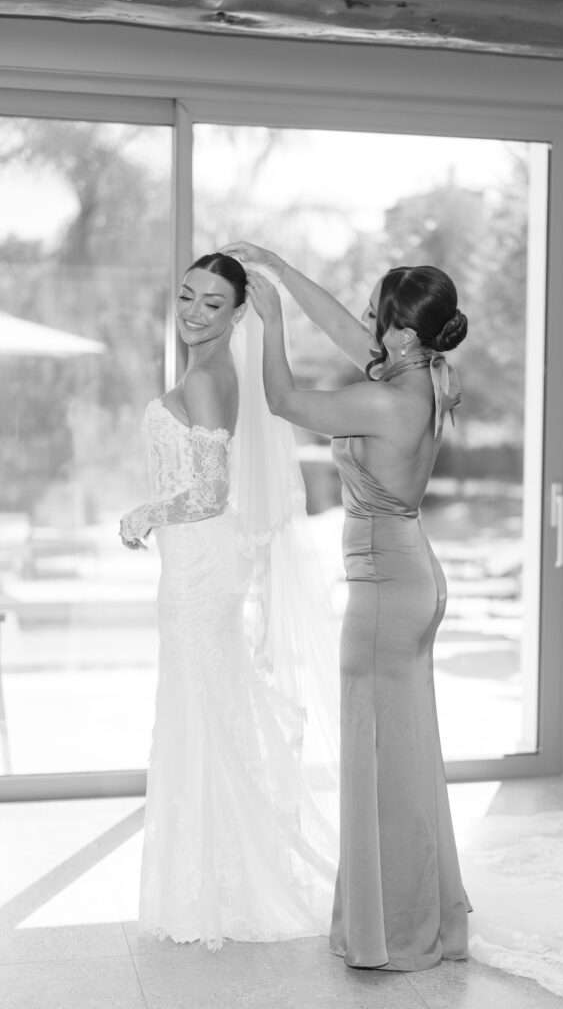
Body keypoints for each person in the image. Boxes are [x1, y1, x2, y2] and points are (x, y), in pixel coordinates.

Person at [222, 241, 472, 972]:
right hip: (408, 576)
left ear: (402, 330)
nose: (364, 322)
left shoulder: (386, 397)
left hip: (385, 594)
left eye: (376, 315)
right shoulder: (421, 371)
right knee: (405, 763)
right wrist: (279, 267)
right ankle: (420, 918)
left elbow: (284, 401)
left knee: (377, 768)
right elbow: (343, 328)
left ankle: (390, 932)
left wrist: (270, 324)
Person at [119, 253, 340, 950]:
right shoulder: (206, 370)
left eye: (212, 303)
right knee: (203, 706)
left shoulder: (211, 377)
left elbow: (210, 491)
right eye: (186, 295)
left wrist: (144, 512)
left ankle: (213, 890)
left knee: (197, 707)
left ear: (237, 314)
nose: (192, 311)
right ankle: (214, 879)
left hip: (198, 563)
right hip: (198, 560)